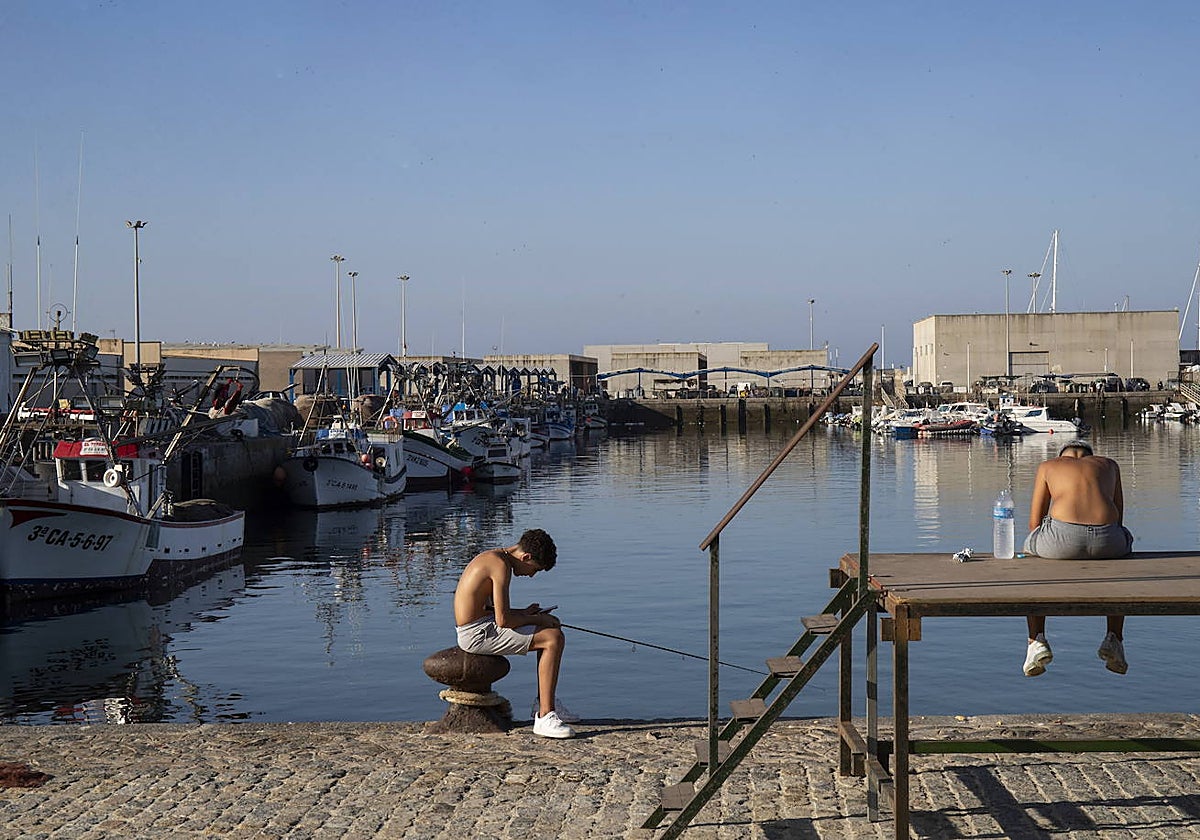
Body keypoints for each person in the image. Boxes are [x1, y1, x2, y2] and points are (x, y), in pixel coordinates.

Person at [1022, 440, 1135, 677]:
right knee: (1119, 562)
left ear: (1063, 457)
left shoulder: (1048, 466)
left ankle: (1036, 641)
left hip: (1060, 542)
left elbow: (1034, 523)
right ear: (1090, 457)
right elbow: (1119, 518)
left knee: (1031, 561)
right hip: (1109, 542)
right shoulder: (1110, 465)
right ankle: (1115, 639)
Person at [453, 528, 576, 738]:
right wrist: (538, 619)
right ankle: (545, 716)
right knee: (553, 638)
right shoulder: (500, 566)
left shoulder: (495, 557)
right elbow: (504, 621)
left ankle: (544, 703)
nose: (531, 575)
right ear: (526, 557)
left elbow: (488, 608)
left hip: (483, 624)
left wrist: (525, 613)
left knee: (552, 630)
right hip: (476, 634)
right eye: (534, 569)